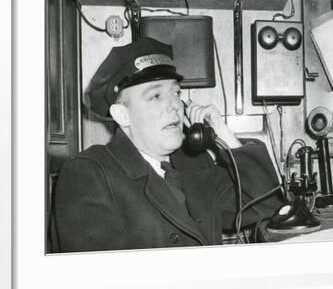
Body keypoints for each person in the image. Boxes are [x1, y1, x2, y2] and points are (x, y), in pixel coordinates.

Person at [51, 37, 282, 252]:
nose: (175, 106)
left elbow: (266, 205)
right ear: (122, 115)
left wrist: (223, 133)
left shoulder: (194, 165)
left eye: (176, 93)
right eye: (155, 96)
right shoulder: (89, 174)